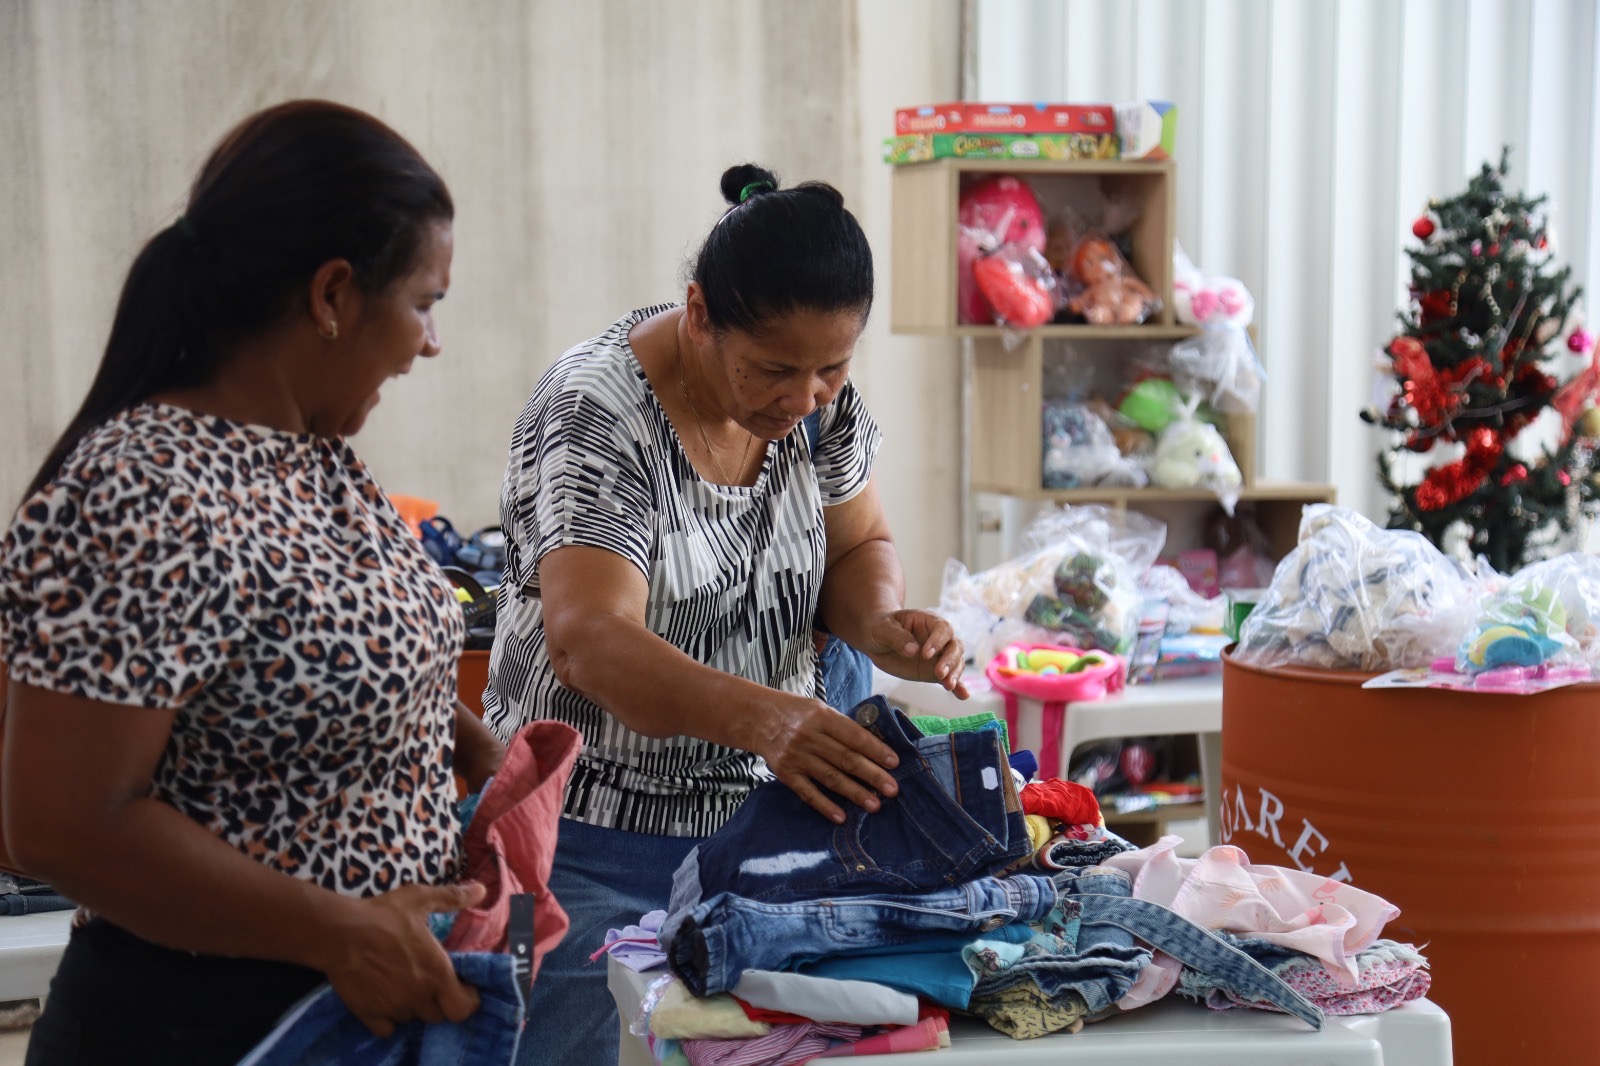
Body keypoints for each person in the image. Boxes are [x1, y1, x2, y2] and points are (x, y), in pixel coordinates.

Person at [0, 100, 507, 1065]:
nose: (430, 343)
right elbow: (63, 826)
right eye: (424, 303)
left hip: (348, 1015)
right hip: (203, 1026)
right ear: (332, 294)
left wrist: (462, 744)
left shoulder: (311, 454)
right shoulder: (141, 491)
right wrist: (339, 932)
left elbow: (305, 664)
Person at [483, 163, 970, 1065]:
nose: (803, 397)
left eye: (832, 368)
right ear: (700, 313)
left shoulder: (816, 406)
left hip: (762, 829)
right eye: (775, 370)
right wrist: (769, 720)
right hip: (589, 834)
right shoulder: (597, 410)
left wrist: (878, 623)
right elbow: (590, 641)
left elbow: (858, 544)